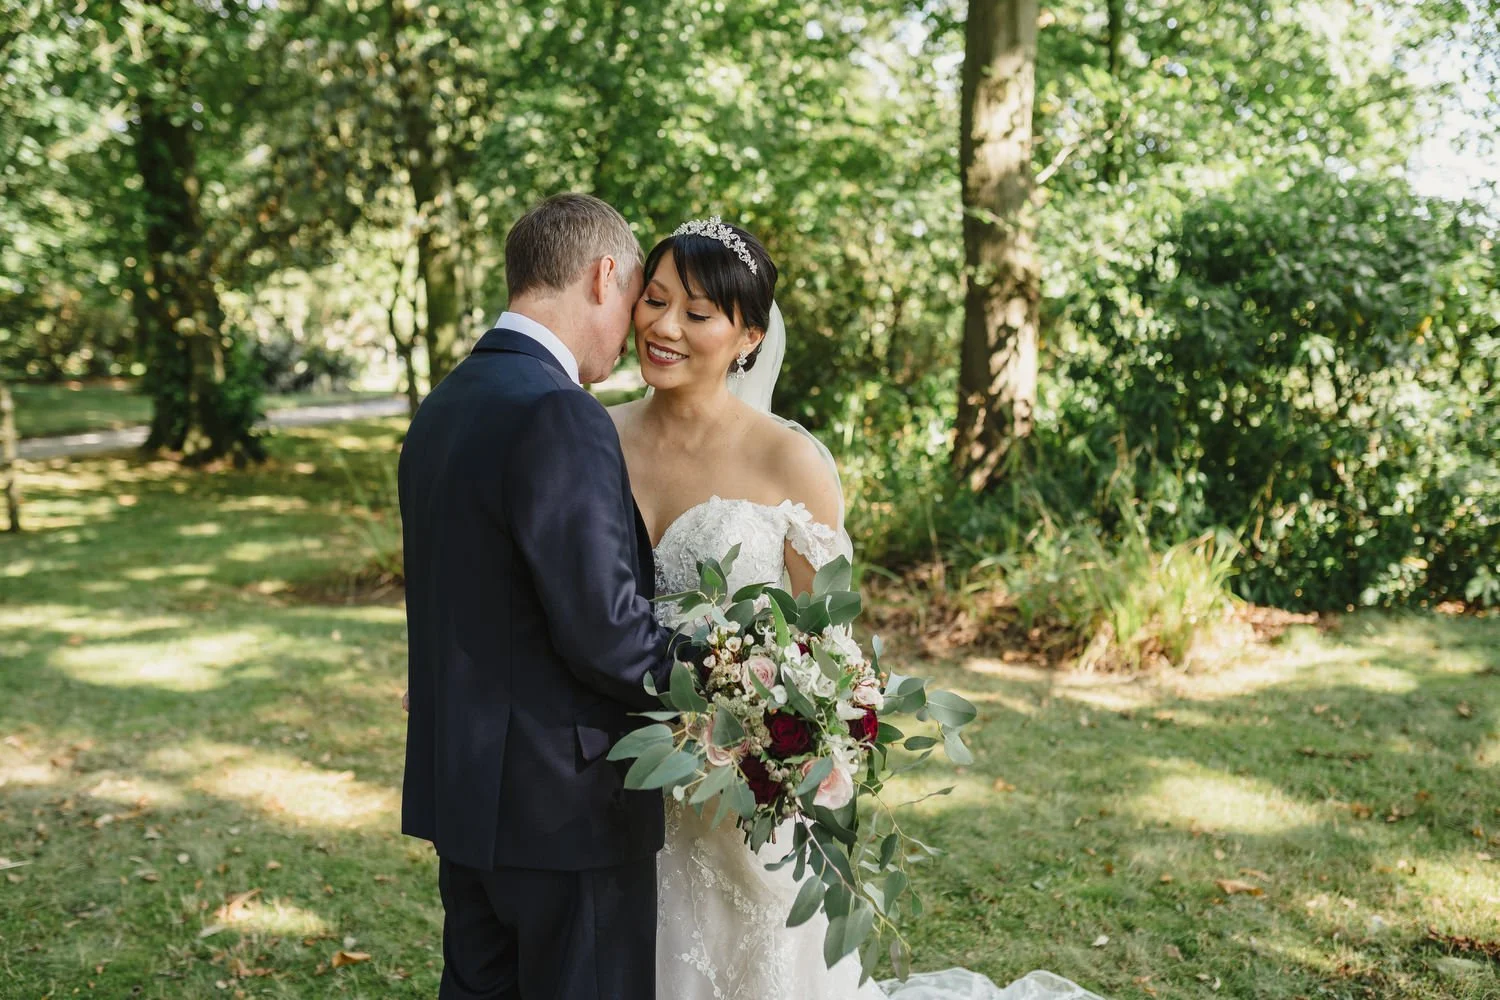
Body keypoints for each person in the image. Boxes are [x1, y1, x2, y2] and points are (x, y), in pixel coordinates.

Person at [612, 216, 1107, 1000]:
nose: (664, 327)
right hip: (625, 771)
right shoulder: (598, 441)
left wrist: (783, 732)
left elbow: (827, 644)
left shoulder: (787, 458)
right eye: (654, 299)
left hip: (749, 781)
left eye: (697, 313)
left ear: (748, 335)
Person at [398, 193, 685, 1000]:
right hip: (568, 815)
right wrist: (736, 674)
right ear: (604, 277)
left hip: (468, 801)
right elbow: (609, 636)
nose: (640, 326)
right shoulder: (561, 411)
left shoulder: (445, 406)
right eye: (638, 298)